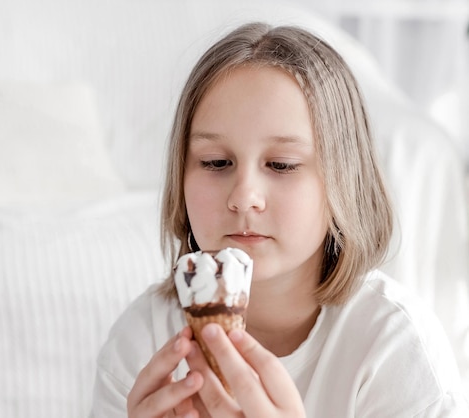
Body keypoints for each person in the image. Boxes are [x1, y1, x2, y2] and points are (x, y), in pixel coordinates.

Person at [90, 22, 469, 417]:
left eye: (282, 165)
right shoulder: (143, 342)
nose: (243, 198)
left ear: (343, 181)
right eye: (216, 162)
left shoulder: (393, 347)